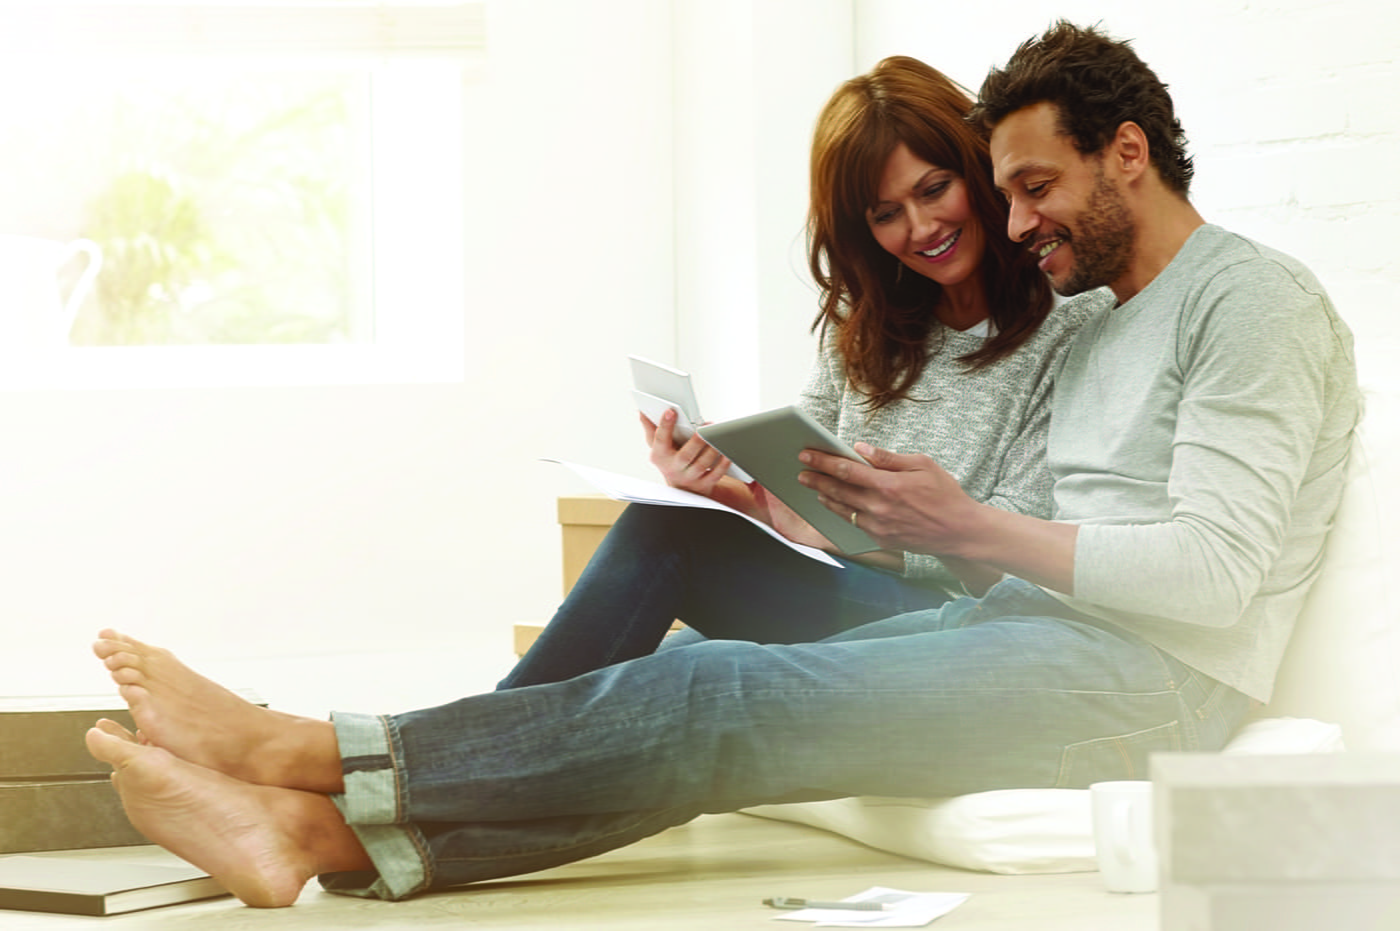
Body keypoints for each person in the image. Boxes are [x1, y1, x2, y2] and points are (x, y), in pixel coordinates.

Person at [85, 23, 1360, 909]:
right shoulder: (1119, 315)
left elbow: (1211, 575)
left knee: (716, 698)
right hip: (1047, 632)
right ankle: (318, 837)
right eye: (1008, 191)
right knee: (700, 670)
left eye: (1030, 189)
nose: (1013, 221)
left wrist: (969, 530)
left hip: (1155, 687)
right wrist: (787, 503)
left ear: (1125, 154)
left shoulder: (1247, 302)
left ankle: (305, 753)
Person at [501, 54, 1097, 688]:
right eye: (885, 213)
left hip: (965, 619)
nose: (922, 228)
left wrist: (844, 533)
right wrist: (728, 492)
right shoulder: (866, 331)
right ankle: (451, 757)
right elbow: (803, 510)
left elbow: (1018, 547)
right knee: (660, 666)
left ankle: (439, 758)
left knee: (669, 549)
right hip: (850, 586)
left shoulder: (1071, 324)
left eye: (933, 189)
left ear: (978, 171)